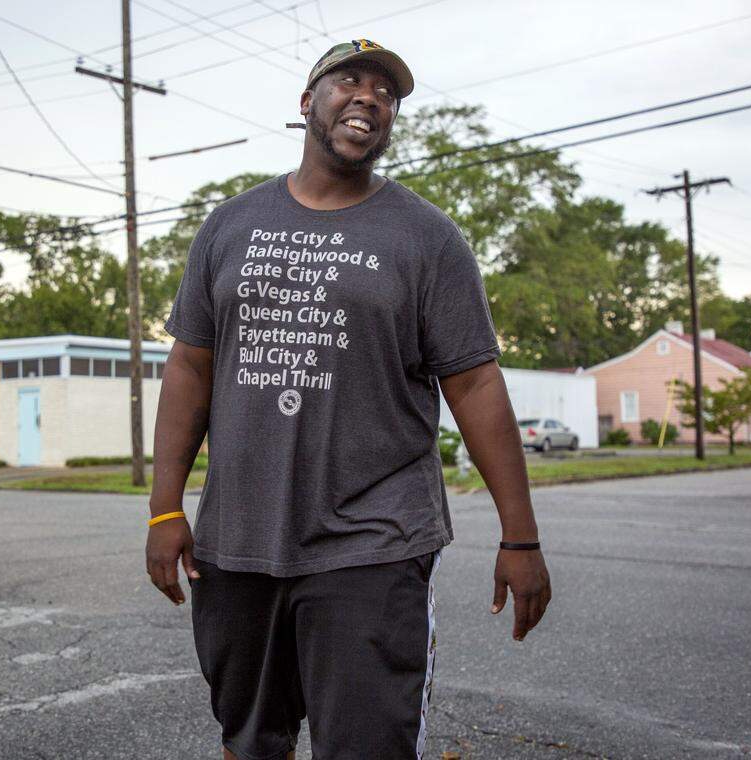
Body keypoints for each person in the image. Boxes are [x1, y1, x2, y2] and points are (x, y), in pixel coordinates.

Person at [146, 38, 551, 760]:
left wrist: (520, 537)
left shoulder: (426, 237)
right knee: (249, 738)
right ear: (307, 103)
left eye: (386, 94)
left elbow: (476, 383)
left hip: (373, 540)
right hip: (237, 542)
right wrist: (166, 508)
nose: (369, 98)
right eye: (349, 82)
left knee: (367, 746)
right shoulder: (229, 225)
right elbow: (190, 369)